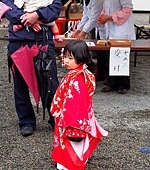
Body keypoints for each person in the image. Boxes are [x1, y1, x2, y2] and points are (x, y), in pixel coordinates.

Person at [1, 0, 62, 136]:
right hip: (18, 39)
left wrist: (37, 14)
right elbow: (6, 5)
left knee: (50, 81)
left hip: (43, 38)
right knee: (20, 84)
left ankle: (56, 117)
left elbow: (56, 7)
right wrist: (28, 18)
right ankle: (26, 121)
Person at [50, 40, 108, 170]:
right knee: (73, 145)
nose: (66, 60)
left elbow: (75, 104)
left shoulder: (78, 79)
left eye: (70, 58)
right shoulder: (79, 74)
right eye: (65, 57)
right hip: (75, 117)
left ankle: (68, 165)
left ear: (81, 59)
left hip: (73, 120)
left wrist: (72, 123)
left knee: (71, 146)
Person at [98, 0, 136, 94]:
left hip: (122, 30)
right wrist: (103, 16)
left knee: (121, 57)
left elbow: (127, 9)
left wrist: (110, 17)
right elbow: (105, 7)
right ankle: (111, 83)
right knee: (110, 56)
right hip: (111, 29)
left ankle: (123, 84)